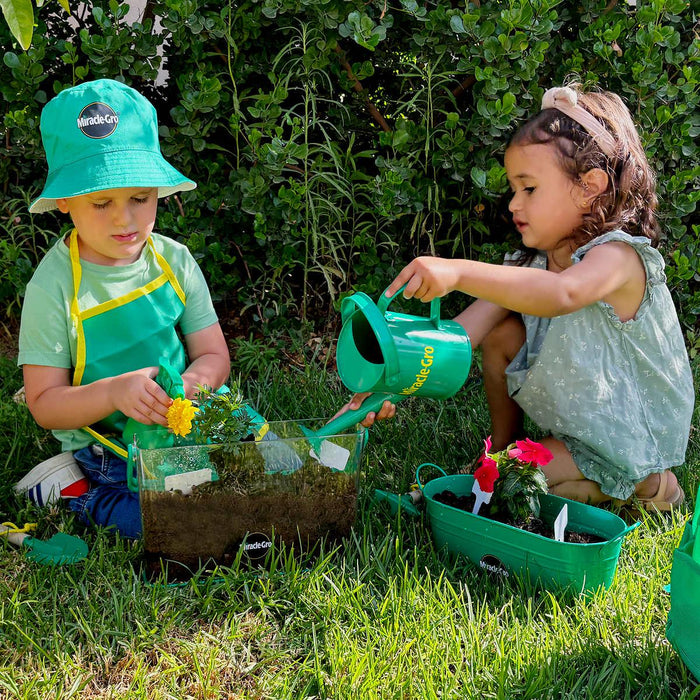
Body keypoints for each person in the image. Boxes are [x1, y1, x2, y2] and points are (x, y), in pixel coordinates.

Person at [343, 84, 694, 511]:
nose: (514, 203)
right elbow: (456, 339)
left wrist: (457, 271)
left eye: (528, 188)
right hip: (578, 427)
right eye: (514, 189)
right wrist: (383, 386)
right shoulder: (531, 266)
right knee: (501, 339)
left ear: (589, 187)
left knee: (514, 491)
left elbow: (563, 294)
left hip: (625, 433)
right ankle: (500, 454)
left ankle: (649, 482)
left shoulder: (618, 258)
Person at [15, 79, 230, 538]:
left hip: (179, 432)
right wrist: (114, 394)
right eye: (100, 202)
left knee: (245, 488)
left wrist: (192, 386)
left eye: (139, 198)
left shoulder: (173, 261)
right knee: (164, 525)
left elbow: (214, 355)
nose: (125, 219)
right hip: (107, 449)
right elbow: (45, 404)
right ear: (64, 203)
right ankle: (70, 488)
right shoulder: (53, 288)